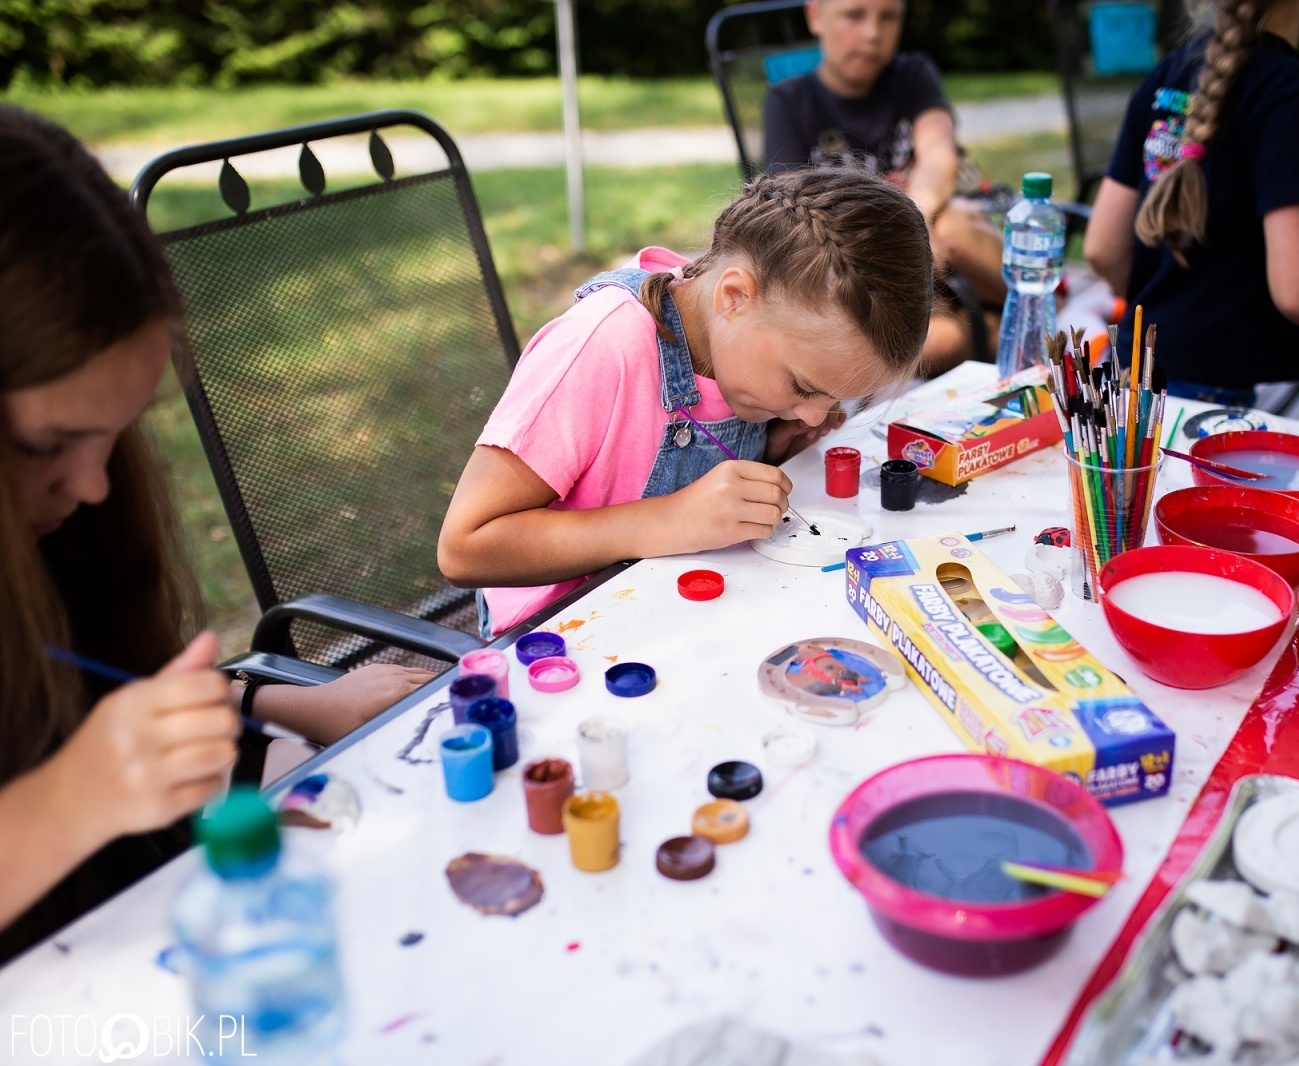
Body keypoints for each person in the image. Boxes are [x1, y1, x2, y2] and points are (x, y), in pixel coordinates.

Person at [0, 106, 433, 961]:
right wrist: (62, 806)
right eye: (47, 446)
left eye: (116, 433)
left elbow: (98, 686)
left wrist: (280, 698)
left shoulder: (63, 523)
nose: (92, 488)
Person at [437, 169, 933, 637]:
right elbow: (466, 548)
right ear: (734, 296)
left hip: (674, 609)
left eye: (834, 396)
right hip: (562, 633)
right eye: (803, 387)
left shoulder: (738, 340)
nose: (814, 413)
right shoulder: (602, 348)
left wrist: (772, 445)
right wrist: (667, 521)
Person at [1083, 0, 1299, 405]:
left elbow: (1102, 249)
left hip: (1124, 378)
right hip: (1207, 397)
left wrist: (1169, 301)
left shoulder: (1166, 76)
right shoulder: (1295, 95)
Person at [763, 0, 1005, 376]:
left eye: (888, 16)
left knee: (954, 225)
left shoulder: (913, 75)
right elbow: (791, 208)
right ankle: (996, 329)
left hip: (941, 254)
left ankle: (1031, 307)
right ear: (815, 16)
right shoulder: (789, 101)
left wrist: (916, 220)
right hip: (865, 276)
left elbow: (940, 156)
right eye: (854, 15)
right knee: (933, 343)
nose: (874, 33)